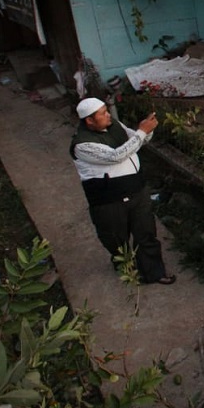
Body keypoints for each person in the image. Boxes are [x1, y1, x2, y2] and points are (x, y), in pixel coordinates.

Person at [69, 97, 175, 285]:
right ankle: (128, 270)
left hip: (137, 191)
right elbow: (116, 156)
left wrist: (146, 131)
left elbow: (136, 141)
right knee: (116, 239)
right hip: (109, 200)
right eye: (102, 113)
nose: (108, 114)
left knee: (146, 234)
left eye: (106, 110)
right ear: (89, 121)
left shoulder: (114, 125)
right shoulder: (82, 145)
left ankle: (154, 273)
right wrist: (142, 132)